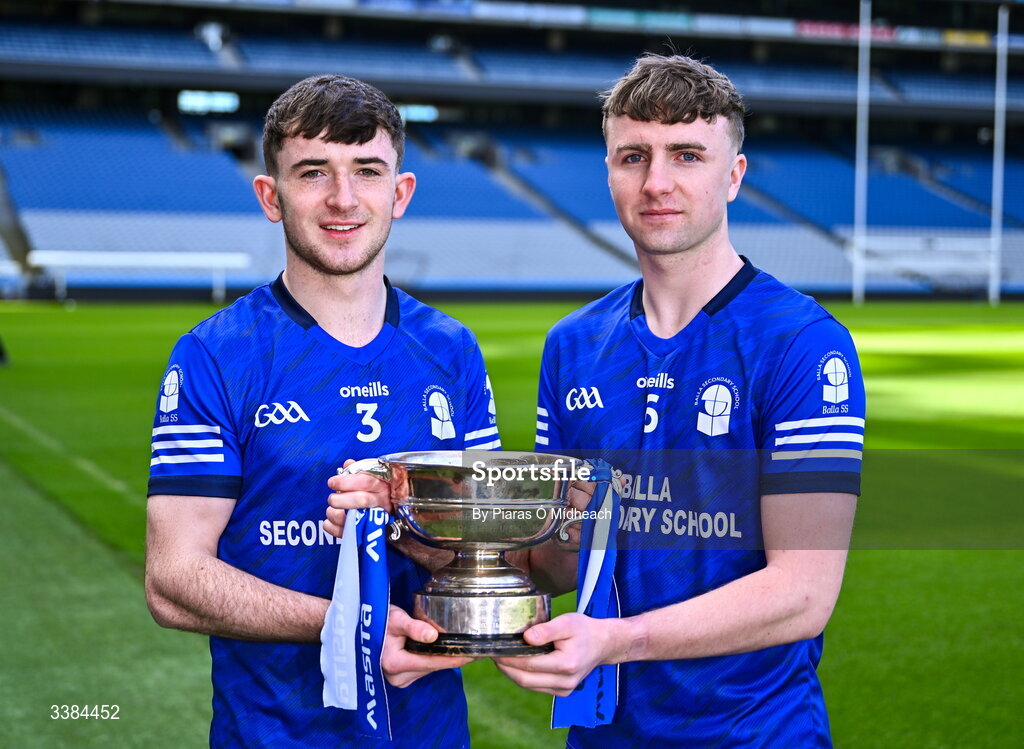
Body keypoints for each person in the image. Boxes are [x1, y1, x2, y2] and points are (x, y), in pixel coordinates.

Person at [492, 54, 865, 747]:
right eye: (633, 156)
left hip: (754, 732)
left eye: (686, 155)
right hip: (607, 733)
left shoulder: (803, 344)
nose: (656, 182)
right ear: (608, 173)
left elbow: (805, 593)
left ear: (734, 175)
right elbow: (568, 553)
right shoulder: (572, 345)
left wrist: (618, 639)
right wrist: (435, 539)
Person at [144, 74, 500, 748]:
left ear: (401, 193)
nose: (343, 198)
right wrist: (349, 621)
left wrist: (408, 522)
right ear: (270, 196)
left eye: (367, 170)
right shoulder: (215, 356)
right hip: (271, 733)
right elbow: (173, 579)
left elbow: (484, 558)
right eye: (313, 172)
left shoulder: (452, 351)